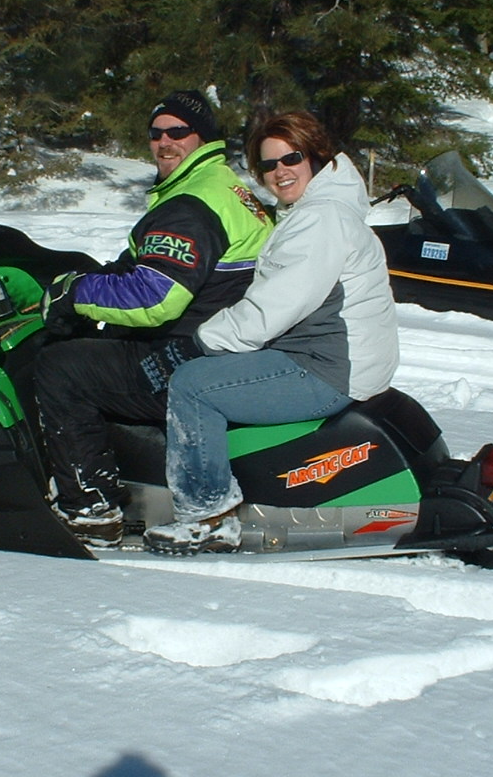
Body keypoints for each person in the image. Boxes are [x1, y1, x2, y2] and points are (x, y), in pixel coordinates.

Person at [140, 110, 400, 555]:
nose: (279, 172)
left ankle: (207, 516)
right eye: (268, 164)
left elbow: (275, 306)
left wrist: (197, 343)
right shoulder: (314, 211)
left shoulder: (321, 219)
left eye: (290, 159)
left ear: (315, 157)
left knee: (193, 385)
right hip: (332, 359)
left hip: (323, 369)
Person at [34, 90, 274, 547]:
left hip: (189, 354)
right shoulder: (229, 190)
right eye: (155, 133)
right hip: (225, 348)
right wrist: (91, 278)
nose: (164, 142)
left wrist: (74, 295)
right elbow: (143, 264)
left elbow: (155, 296)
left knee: (62, 368)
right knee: (94, 352)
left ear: (202, 138)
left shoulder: (191, 205)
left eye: (177, 131)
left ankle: (90, 511)